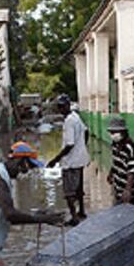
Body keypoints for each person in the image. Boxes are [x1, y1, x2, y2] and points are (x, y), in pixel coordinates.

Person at [48, 94, 90, 226]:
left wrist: (55, 159)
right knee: (79, 188)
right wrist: (82, 147)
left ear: (67, 105)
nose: (60, 109)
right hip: (80, 159)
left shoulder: (69, 121)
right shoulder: (76, 117)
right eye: (59, 107)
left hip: (71, 162)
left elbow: (70, 144)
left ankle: (74, 218)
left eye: (62, 106)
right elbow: (86, 131)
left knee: (69, 192)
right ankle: (82, 211)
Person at [107, 117, 134, 205]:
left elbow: (132, 170)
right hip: (119, 186)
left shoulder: (130, 147)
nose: (112, 135)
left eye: (114, 132)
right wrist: (111, 173)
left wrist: (128, 189)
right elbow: (116, 161)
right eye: (111, 132)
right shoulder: (115, 144)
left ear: (123, 132)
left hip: (132, 189)